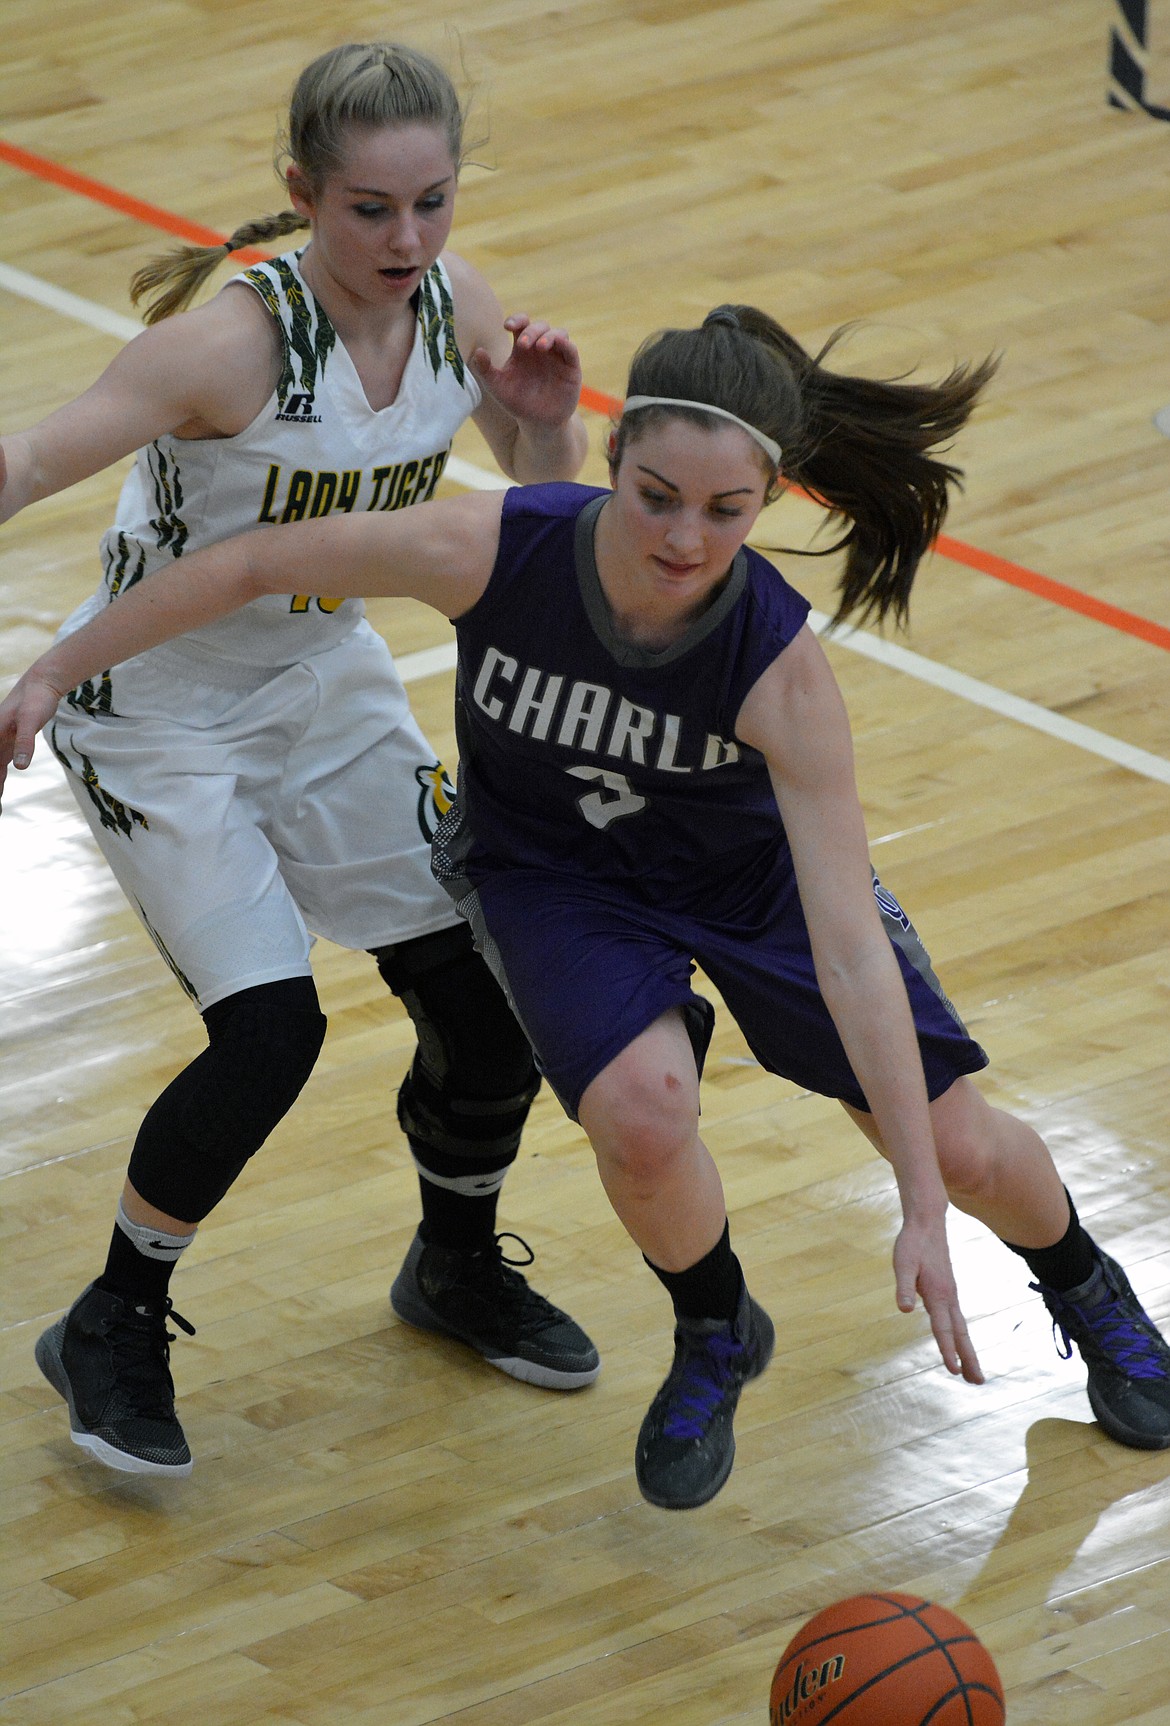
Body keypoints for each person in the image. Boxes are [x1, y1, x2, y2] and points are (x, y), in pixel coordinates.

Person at [5, 305, 1169, 1512]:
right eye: (658, 496)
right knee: (644, 1109)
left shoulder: (780, 671)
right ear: (612, 460)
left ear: (766, 501)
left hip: (746, 883)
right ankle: (715, 1327)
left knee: (963, 1143)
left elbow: (850, 954)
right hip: (557, 877)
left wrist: (922, 1205)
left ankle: (1090, 1289)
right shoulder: (497, 548)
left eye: (725, 513)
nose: (683, 537)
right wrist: (57, 664)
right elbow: (254, 563)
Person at [0, 41, 603, 1481]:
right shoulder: (228, 347)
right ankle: (114, 1315)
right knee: (271, 1034)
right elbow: (28, 461)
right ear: (299, 196)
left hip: (321, 681)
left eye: (432, 203)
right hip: (154, 703)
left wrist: (555, 406)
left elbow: (543, 496)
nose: (407, 242)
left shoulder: (458, 302)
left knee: (485, 999)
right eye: (369, 211)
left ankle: (450, 1265)